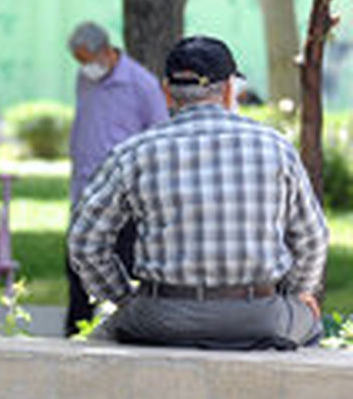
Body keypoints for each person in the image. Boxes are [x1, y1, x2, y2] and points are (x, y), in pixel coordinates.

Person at [69, 36, 328, 350]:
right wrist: (295, 292)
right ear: (230, 89)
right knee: (309, 322)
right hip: (260, 317)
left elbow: (84, 241)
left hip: (161, 317)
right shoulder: (276, 147)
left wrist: (123, 297)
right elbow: (313, 239)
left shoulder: (134, 152)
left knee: (102, 337)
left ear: (166, 92)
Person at [64, 20, 168, 335]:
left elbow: (159, 136)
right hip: (85, 190)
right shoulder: (86, 79)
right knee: (76, 268)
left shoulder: (141, 84)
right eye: (79, 62)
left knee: (119, 266)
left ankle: (125, 331)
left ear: (106, 51)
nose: (85, 67)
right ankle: (75, 335)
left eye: (87, 60)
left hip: (123, 198)